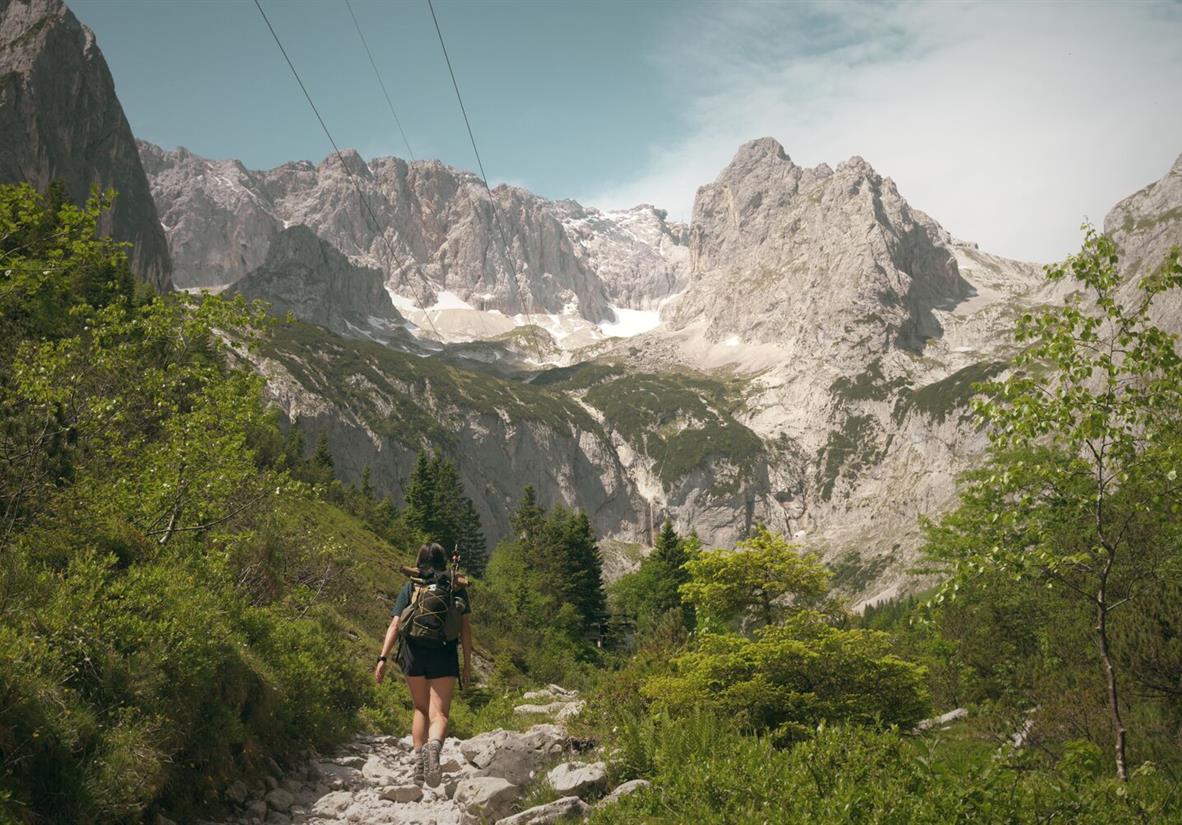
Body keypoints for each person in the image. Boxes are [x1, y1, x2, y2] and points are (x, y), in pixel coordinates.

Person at [374, 542, 473, 787]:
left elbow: (395, 625)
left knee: (420, 708)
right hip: (444, 652)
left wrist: (382, 658)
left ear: (420, 560)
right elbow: (465, 629)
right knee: (439, 713)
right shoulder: (456, 586)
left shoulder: (412, 584)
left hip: (413, 652)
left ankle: (419, 762)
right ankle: (434, 749)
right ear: (443, 561)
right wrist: (467, 664)